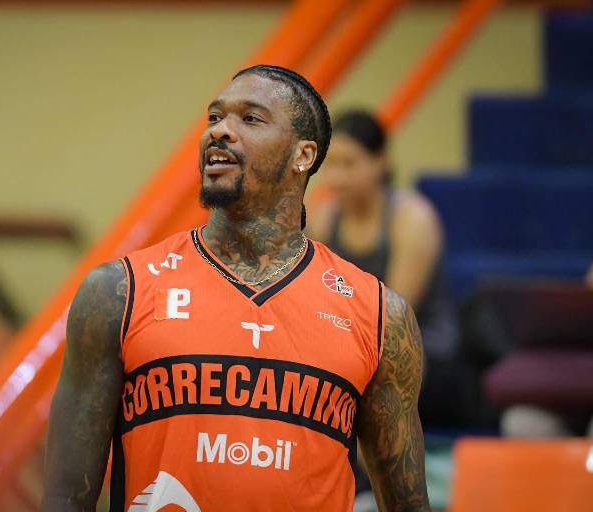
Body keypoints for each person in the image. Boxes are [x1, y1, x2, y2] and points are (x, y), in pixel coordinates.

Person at [42, 66, 430, 512]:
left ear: (303, 155)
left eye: (250, 118)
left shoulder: (380, 315)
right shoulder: (117, 292)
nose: (220, 131)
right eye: (214, 117)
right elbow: (63, 500)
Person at [308, 110, 462, 427]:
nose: (336, 177)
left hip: (422, 351)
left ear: (380, 162)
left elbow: (392, 318)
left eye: (349, 164)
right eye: (331, 164)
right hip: (351, 344)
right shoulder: (324, 217)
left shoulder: (412, 219)